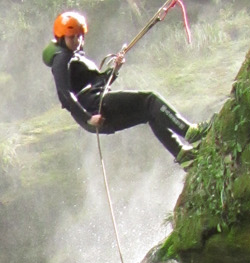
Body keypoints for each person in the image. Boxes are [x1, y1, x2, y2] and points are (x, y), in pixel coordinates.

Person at [43, 10, 204, 163]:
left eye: (79, 36)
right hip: (94, 107)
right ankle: (189, 131)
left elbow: (99, 83)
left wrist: (115, 69)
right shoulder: (61, 59)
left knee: (150, 112)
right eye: (72, 37)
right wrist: (88, 117)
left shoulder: (74, 56)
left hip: (96, 106)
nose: (77, 41)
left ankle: (183, 155)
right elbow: (64, 94)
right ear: (61, 38)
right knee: (150, 100)